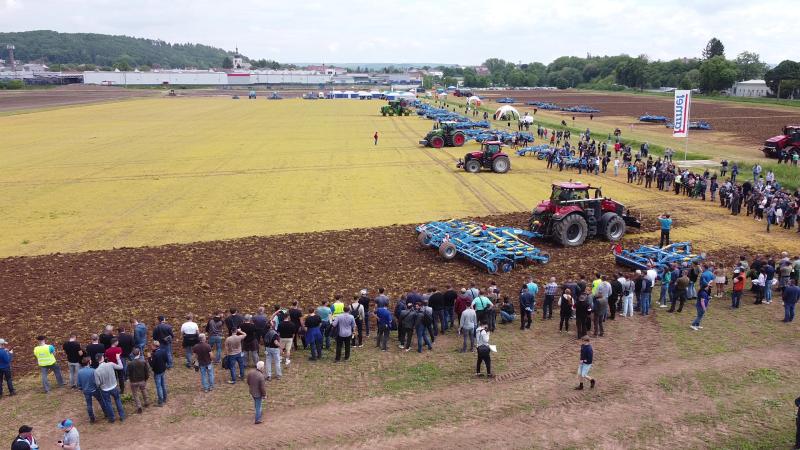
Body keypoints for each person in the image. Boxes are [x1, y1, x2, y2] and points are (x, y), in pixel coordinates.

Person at [77, 356, 109, 423]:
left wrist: (82, 388)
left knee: (89, 404)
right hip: (95, 389)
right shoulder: (93, 370)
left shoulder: (79, 372)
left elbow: (79, 384)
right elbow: (97, 381)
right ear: (89, 362)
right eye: (90, 360)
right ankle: (106, 413)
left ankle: (92, 419)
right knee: (101, 401)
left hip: (86, 391)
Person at [94, 353, 125, 422]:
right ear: (102, 358)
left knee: (108, 403)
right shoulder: (110, 364)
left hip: (105, 389)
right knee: (118, 400)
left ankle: (112, 418)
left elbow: (98, 383)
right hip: (114, 386)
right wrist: (118, 358)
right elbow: (121, 367)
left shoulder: (96, 371)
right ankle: (122, 416)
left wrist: (101, 385)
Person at [127, 348, 149, 413]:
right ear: (139, 353)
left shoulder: (130, 364)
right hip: (142, 380)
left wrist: (130, 379)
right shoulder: (143, 362)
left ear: (133, 355)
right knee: (144, 390)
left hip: (133, 381)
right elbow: (147, 372)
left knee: (135, 394)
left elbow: (127, 373)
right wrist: (145, 379)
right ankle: (146, 402)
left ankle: (139, 406)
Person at [148, 340, 169, 406]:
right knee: (163, 384)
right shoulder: (163, 351)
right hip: (163, 370)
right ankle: (165, 398)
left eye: (152, 345)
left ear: (155, 346)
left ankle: (160, 401)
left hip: (157, 372)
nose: (151, 347)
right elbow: (166, 360)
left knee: (159, 386)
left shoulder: (155, 354)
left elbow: (152, 364)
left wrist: (149, 357)